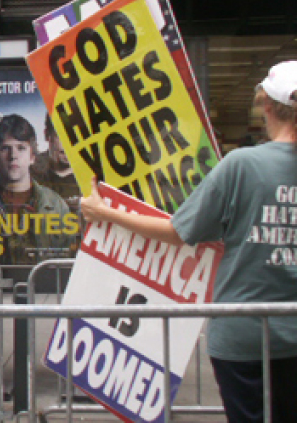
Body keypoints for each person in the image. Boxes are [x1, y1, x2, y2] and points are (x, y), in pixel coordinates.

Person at [80, 60, 297, 423]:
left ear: (267, 108)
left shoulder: (242, 165)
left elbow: (177, 232)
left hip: (242, 335)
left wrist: (106, 213)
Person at [0, 113, 71, 265]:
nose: (13, 156)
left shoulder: (56, 204)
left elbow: (67, 260)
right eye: (5, 148)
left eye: (21, 148)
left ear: (32, 156)